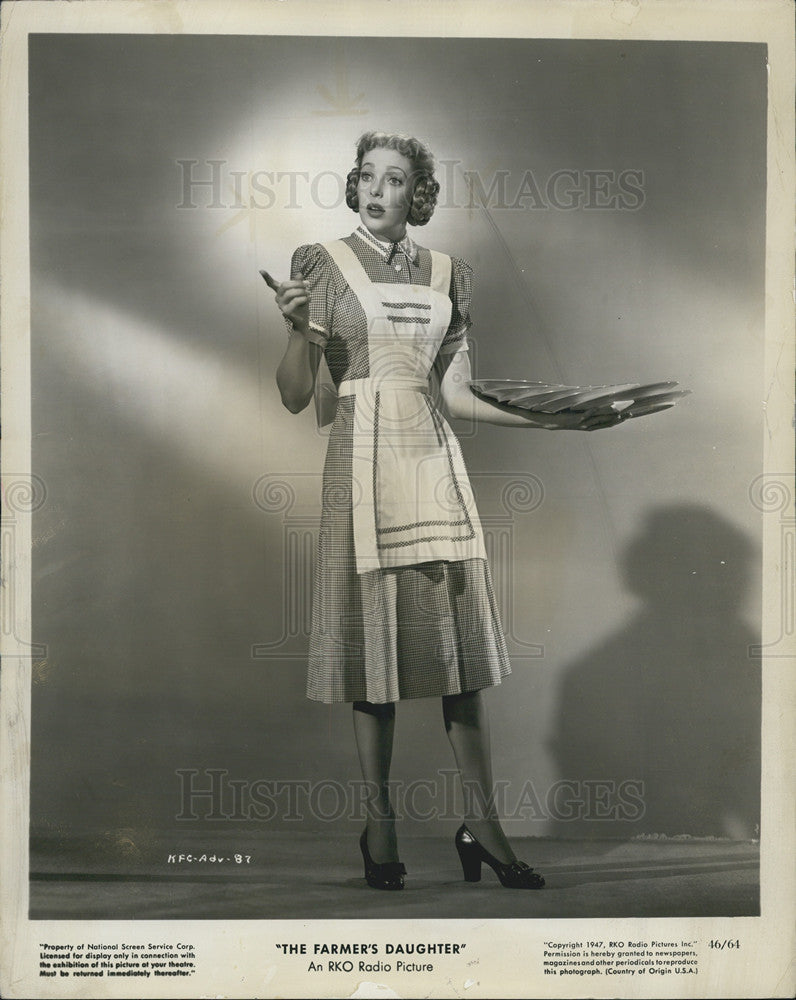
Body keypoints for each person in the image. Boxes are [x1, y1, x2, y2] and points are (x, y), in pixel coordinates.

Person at [263, 130, 624, 891]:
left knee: (457, 654)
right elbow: (297, 395)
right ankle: (380, 823)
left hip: (430, 464)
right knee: (375, 656)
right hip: (359, 467)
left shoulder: (453, 274)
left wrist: (561, 420)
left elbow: (458, 396)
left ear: (418, 195)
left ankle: (482, 823)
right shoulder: (319, 263)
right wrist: (297, 328)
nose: (375, 189)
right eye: (366, 176)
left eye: (394, 180)